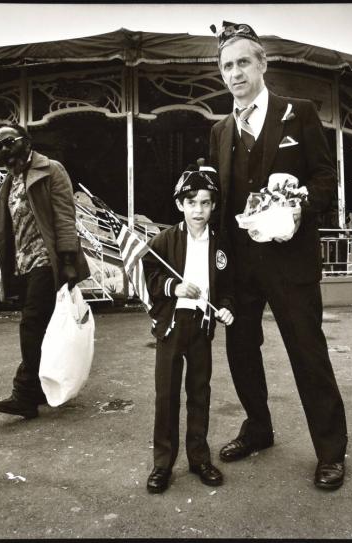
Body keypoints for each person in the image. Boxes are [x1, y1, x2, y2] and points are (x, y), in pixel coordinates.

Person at [208, 21, 348, 489]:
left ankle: (330, 451)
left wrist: (300, 197)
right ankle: (258, 428)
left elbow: (327, 180)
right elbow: (222, 201)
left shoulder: (299, 113)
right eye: (227, 66)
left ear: (262, 64)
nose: (235, 73)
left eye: (243, 62)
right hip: (239, 267)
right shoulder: (219, 130)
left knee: (308, 354)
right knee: (241, 351)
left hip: (291, 263)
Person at [0, 123, 90, 419]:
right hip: (23, 265)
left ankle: (24, 394)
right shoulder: (10, 182)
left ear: (26, 142)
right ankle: (38, 388)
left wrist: (67, 262)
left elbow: (65, 217)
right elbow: (4, 230)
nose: (3, 149)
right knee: (39, 328)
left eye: (8, 142)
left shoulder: (51, 170)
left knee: (30, 325)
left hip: (46, 260)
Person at [142, 163, 235, 493]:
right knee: (166, 395)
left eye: (206, 202)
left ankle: (199, 458)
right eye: (192, 202)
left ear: (213, 206)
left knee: (200, 392)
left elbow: (228, 285)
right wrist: (173, 287)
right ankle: (162, 464)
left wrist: (226, 307)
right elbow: (149, 277)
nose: (199, 210)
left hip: (201, 326)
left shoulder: (219, 243)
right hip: (171, 326)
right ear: (180, 204)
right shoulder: (164, 240)